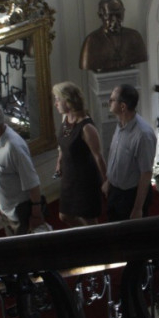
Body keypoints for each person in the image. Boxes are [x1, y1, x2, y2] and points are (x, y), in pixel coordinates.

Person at [0, 102, 45, 235]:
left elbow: (32, 182)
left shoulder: (13, 147)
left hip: (22, 215)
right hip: (8, 211)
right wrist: (1, 203)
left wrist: (36, 214)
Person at [52, 81, 106, 227]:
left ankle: (95, 238)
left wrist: (106, 181)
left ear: (68, 101)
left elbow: (98, 156)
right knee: (64, 216)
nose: (55, 103)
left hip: (85, 179)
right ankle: (86, 234)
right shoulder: (65, 119)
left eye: (58, 99)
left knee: (89, 219)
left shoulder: (87, 127)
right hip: (69, 177)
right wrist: (59, 161)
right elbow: (63, 144)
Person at [104, 84, 157, 221]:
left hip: (130, 196)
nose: (109, 102)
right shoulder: (120, 124)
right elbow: (116, 156)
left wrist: (137, 208)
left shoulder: (143, 135)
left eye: (112, 100)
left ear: (123, 106)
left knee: (130, 233)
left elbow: (146, 173)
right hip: (115, 191)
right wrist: (109, 181)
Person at [79, 0, 148, 72]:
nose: (114, 20)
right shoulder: (91, 41)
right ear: (100, 15)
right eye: (110, 15)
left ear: (123, 13)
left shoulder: (134, 36)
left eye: (118, 15)